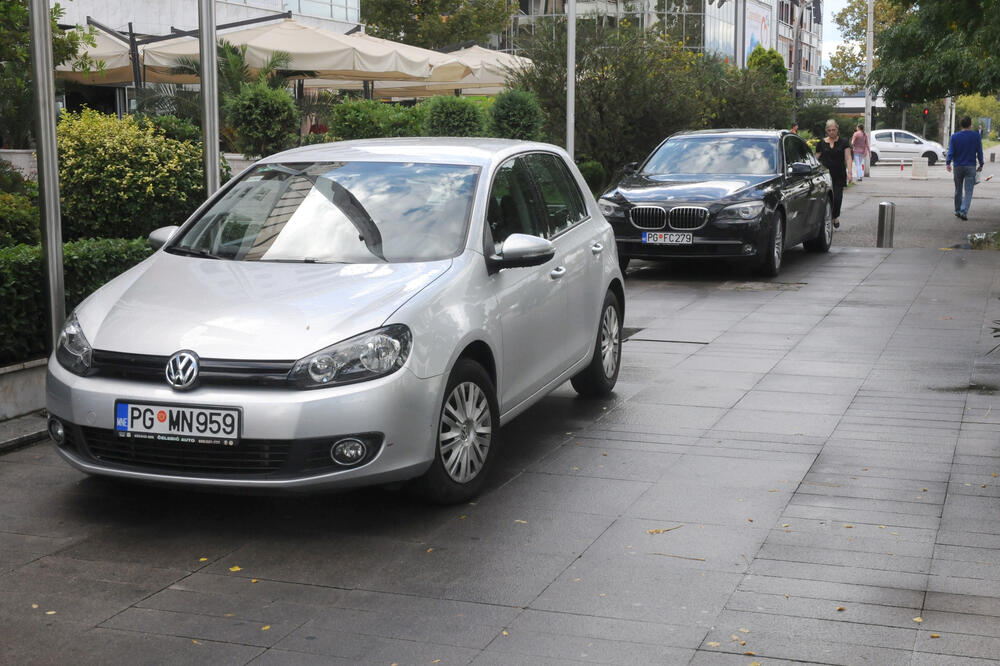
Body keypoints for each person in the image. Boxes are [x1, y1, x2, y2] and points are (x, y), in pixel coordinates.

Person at [946, 116, 984, 220]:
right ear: (970, 124)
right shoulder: (976, 136)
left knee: (958, 189)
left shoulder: (954, 137)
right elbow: (979, 151)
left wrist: (948, 163)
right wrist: (981, 164)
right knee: (968, 190)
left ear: (961, 124)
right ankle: (963, 211)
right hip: (970, 166)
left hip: (958, 166)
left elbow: (951, 151)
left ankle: (957, 210)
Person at [815, 119, 852, 229]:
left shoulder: (844, 142)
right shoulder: (821, 143)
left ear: (837, 129)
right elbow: (816, 159)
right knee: (826, 198)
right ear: (826, 131)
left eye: (834, 130)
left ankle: (835, 216)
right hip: (825, 175)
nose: (832, 132)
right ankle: (827, 217)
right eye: (829, 130)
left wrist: (850, 172)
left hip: (839, 174)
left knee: (837, 198)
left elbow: (848, 158)